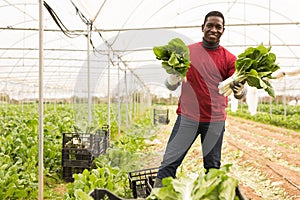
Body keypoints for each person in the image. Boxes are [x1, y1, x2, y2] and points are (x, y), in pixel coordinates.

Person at [154, 11, 246, 187]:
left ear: (223, 31)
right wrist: (173, 77)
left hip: (215, 121)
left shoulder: (229, 59)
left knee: (212, 168)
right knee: (168, 164)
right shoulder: (187, 53)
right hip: (187, 118)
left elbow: (240, 94)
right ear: (202, 28)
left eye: (218, 27)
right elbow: (169, 85)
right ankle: (158, 196)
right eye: (209, 25)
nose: (213, 29)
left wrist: (240, 90)